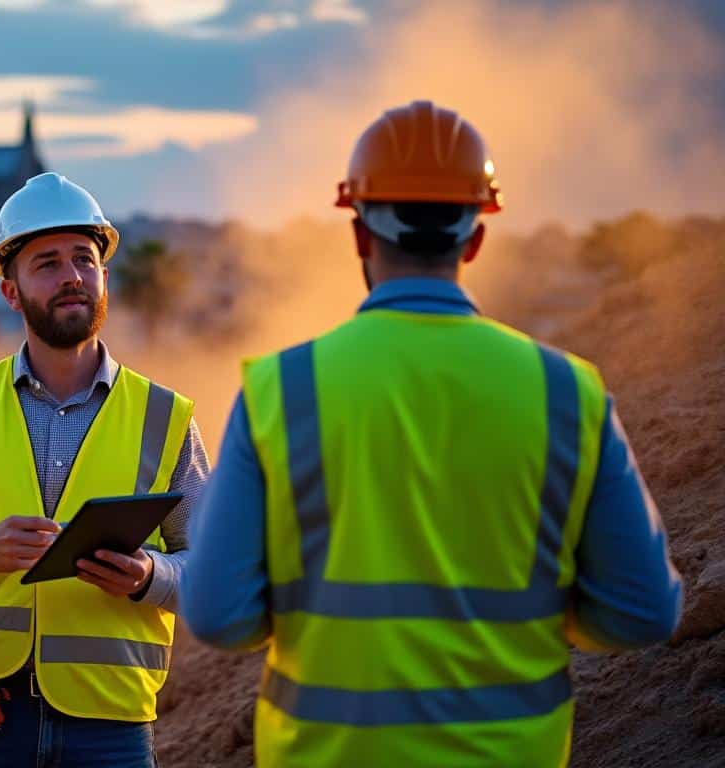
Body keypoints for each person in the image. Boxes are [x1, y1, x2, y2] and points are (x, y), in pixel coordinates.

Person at [181, 100, 683, 767]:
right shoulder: (568, 393)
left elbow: (218, 615)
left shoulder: (282, 389)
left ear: (359, 234)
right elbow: (642, 612)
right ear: (474, 238)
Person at [0, 172, 210, 767]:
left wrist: (148, 575)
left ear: (105, 277)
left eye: (84, 258)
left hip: (111, 731)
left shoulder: (166, 418)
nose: (72, 275)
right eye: (46, 263)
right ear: (11, 291)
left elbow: (212, 573)